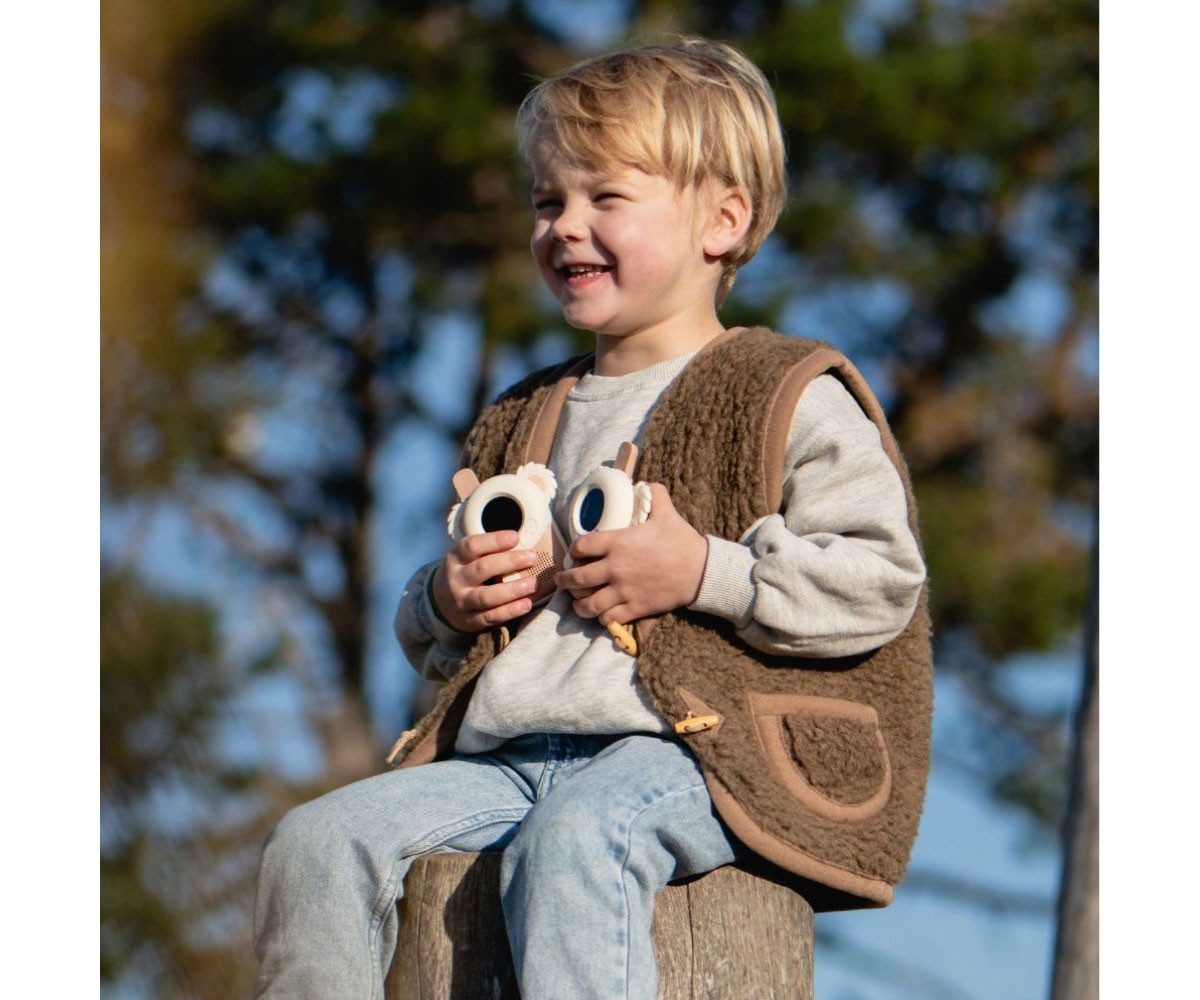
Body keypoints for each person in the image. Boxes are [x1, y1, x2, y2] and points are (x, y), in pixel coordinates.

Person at [253, 36, 931, 1000]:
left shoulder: (781, 392)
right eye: (548, 201)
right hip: (510, 756)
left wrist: (704, 572)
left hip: (695, 757)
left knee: (576, 845)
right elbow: (431, 637)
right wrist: (448, 601)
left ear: (723, 220)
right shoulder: (524, 414)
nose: (566, 226)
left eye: (606, 198)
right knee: (313, 842)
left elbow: (881, 582)